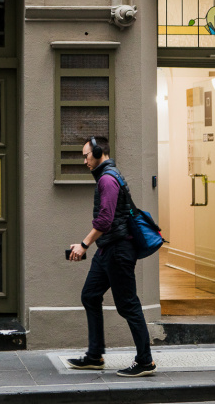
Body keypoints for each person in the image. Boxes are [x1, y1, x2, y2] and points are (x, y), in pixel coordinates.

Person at [66, 136, 156, 378]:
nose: (84, 160)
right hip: (107, 250)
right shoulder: (107, 176)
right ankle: (95, 356)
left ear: (98, 152)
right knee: (90, 295)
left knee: (128, 305)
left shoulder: (107, 179)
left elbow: (105, 221)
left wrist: (84, 244)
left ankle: (145, 361)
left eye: (86, 155)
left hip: (118, 251)